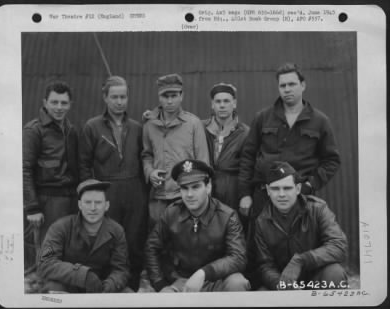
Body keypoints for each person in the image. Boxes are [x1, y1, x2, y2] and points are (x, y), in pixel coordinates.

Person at [238, 62, 341, 219]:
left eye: (292, 84)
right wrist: (245, 193)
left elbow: (331, 160)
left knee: (300, 242)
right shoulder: (263, 117)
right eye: (282, 85)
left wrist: (310, 184)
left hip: (300, 197)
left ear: (303, 85)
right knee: (260, 242)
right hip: (264, 196)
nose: (287, 89)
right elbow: (248, 156)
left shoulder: (320, 121)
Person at [79, 76, 148, 291]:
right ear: (105, 98)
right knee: (107, 241)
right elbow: (84, 164)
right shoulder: (92, 126)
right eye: (115, 97)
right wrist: (89, 195)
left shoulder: (138, 127)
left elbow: (145, 157)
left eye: (123, 97)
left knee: (134, 242)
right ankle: (106, 289)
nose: (120, 102)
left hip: (135, 191)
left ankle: (132, 287)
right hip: (106, 191)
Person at [145, 159, 250, 292]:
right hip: (181, 281)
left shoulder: (227, 216)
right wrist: (160, 284)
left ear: (208, 187)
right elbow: (151, 248)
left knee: (237, 282)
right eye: (184, 188)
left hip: (215, 280)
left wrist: (204, 273)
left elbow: (238, 257)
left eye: (195, 187)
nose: (189, 194)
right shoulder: (171, 213)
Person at [253, 161, 348, 290]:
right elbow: (265, 265)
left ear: (297, 189)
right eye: (275, 189)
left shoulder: (317, 209)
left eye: (287, 188)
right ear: (268, 190)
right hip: (284, 283)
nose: (281, 194)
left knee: (334, 273)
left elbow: (339, 245)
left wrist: (303, 260)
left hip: (315, 280)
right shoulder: (262, 221)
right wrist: (280, 284)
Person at [37, 179, 130, 293]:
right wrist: (83, 276)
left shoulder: (117, 231)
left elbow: (121, 270)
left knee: (128, 295)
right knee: (53, 296)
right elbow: (45, 263)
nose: (93, 208)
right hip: (66, 285)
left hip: (100, 286)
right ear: (80, 205)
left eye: (98, 202)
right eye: (87, 202)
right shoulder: (60, 227)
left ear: (107, 206)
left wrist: (109, 287)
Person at [23, 80, 79, 269]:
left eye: (64, 103)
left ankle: (62, 289)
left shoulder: (71, 130)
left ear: (70, 105)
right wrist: (32, 207)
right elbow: (25, 169)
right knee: (48, 250)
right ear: (45, 102)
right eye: (54, 102)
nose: (59, 107)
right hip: (47, 200)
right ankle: (44, 292)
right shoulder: (34, 130)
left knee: (68, 248)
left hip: (70, 198)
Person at [142, 73, 209, 228]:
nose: (170, 101)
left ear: (182, 95)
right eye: (165, 96)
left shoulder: (193, 124)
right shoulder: (149, 125)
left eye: (174, 95)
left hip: (186, 195)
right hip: (159, 197)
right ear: (159, 97)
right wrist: (150, 172)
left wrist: (203, 194)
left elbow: (203, 162)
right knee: (158, 240)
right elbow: (146, 155)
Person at [203, 82, 249, 211]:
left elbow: (247, 168)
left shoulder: (245, 133)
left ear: (234, 103)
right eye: (218, 101)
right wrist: (152, 116)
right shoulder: (200, 128)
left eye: (226, 101)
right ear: (212, 104)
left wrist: (245, 195)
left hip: (233, 193)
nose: (222, 105)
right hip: (206, 192)